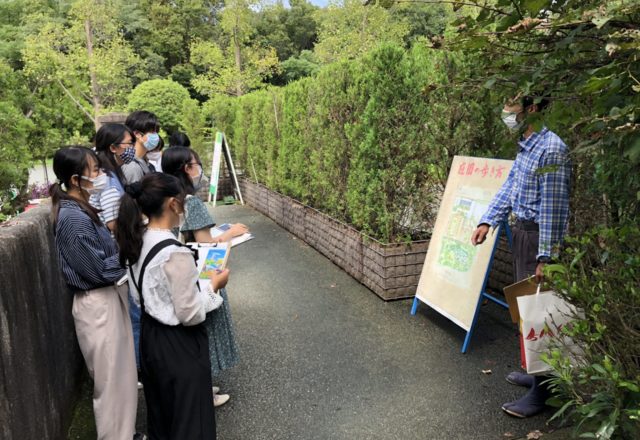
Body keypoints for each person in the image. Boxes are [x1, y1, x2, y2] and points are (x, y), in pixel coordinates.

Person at [471, 95, 571, 418]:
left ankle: (544, 392)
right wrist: (488, 219)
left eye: (511, 105)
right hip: (523, 235)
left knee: (541, 313)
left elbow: (554, 210)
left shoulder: (551, 149)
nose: (506, 111)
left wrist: (546, 257)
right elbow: (511, 185)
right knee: (527, 311)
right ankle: (535, 373)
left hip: (538, 238)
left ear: (531, 109)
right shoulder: (527, 144)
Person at [116, 173, 229, 439]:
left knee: (163, 415)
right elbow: (189, 314)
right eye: (182, 200)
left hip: (150, 338)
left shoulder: (137, 238)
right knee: (191, 421)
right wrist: (214, 286)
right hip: (179, 345)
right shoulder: (174, 252)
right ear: (172, 204)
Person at [50, 146, 137, 439]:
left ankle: (126, 433)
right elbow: (97, 270)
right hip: (97, 302)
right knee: (111, 383)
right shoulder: (73, 218)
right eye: (95, 170)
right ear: (76, 179)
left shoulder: (81, 208)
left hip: (105, 298)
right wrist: (128, 254)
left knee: (121, 377)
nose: (100, 175)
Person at [162, 146, 248, 407]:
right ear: (187, 168)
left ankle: (201, 388)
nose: (199, 169)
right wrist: (231, 233)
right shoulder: (192, 202)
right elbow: (206, 244)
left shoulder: (169, 198)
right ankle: (203, 392)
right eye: (197, 164)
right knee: (205, 332)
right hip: (200, 275)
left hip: (182, 271)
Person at [93, 123, 143, 374]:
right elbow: (113, 223)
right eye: (128, 144)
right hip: (117, 257)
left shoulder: (107, 174)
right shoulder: (110, 181)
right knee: (134, 319)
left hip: (114, 257)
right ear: (113, 147)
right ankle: (138, 370)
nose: (132, 149)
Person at [122, 110, 160, 183]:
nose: (156, 136)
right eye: (152, 132)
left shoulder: (144, 162)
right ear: (137, 134)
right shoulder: (132, 166)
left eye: (156, 132)